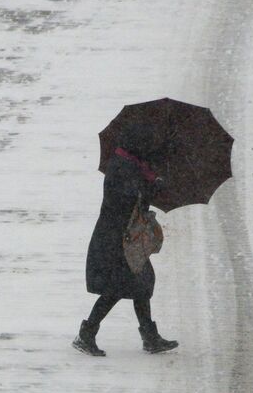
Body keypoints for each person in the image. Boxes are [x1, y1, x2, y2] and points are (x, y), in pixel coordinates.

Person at [74, 122, 179, 356]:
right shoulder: (122, 168)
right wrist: (151, 187)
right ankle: (88, 333)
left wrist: (152, 183)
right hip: (115, 239)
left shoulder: (132, 165)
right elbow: (128, 200)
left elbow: (137, 197)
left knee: (138, 284)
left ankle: (147, 336)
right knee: (120, 286)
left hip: (124, 236)